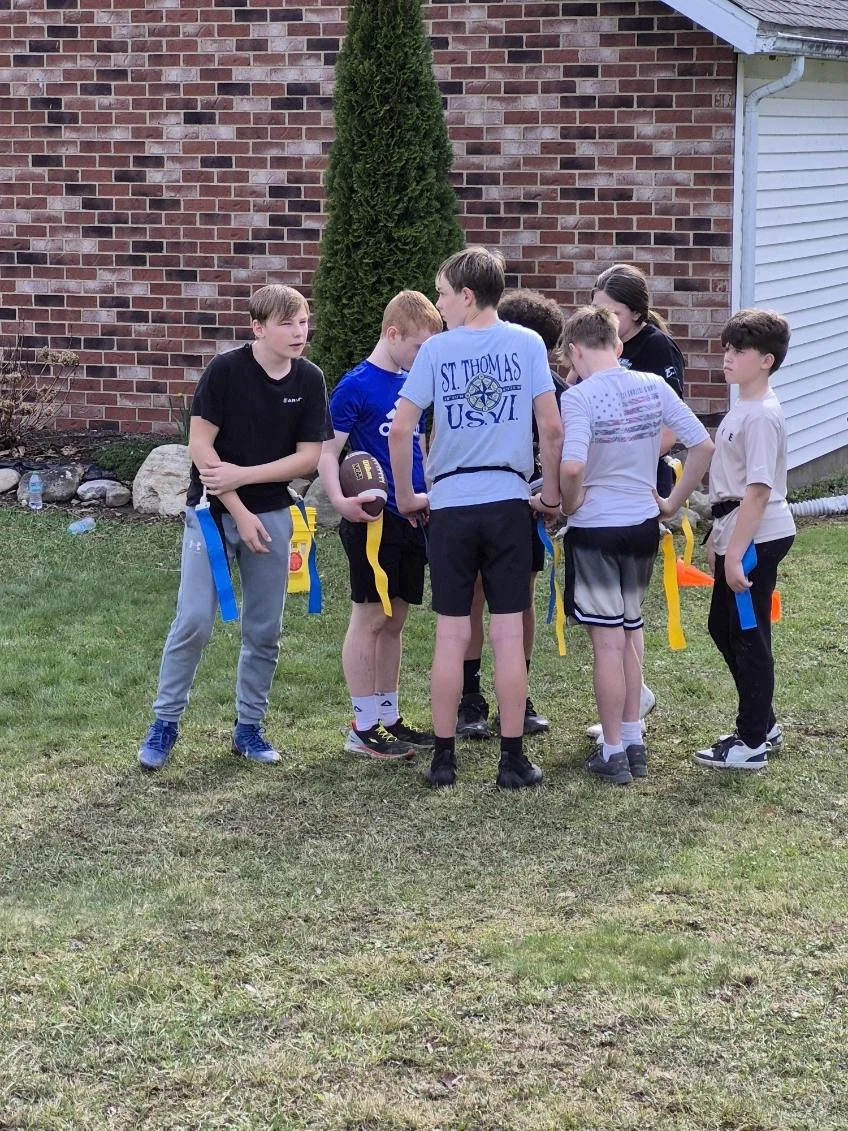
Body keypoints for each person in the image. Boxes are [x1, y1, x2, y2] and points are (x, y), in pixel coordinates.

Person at [388, 247, 563, 789]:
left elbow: (400, 429)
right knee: (508, 634)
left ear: (467, 295)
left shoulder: (437, 351)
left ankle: (444, 760)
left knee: (450, 633)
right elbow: (551, 430)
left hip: (451, 504)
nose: (438, 304)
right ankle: (512, 760)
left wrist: (407, 495)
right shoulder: (528, 342)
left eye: (442, 293)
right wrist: (551, 496)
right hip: (509, 500)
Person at [137, 284, 331, 771]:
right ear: (258, 327)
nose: (298, 332)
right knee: (194, 621)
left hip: (273, 515)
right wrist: (239, 509)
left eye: (303, 322)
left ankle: (248, 729)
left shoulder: (310, 378)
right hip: (214, 513)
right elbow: (202, 448)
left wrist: (246, 478)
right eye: (286, 323)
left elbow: (308, 458)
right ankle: (164, 723)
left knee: (264, 629)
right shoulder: (225, 371)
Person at [560, 305, 713, 785]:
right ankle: (633, 737)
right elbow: (702, 443)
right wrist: (672, 502)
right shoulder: (654, 385)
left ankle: (611, 751)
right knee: (628, 629)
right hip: (644, 523)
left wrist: (569, 503)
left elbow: (570, 466)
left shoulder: (579, 397)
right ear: (619, 345)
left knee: (606, 641)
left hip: (598, 526)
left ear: (574, 351)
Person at [317, 290, 443, 760]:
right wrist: (340, 501)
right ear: (393, 334)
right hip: (373, 520)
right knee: (370, 616)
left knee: (396, 619)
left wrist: (426, 492)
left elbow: (420, 450)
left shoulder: (413, 383)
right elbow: (329, 452)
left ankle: (388, 716)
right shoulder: (356, 385)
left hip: (413, 516)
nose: (422, 358)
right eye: (418, 347)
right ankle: (362, 724)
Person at [676, 308, 795, 771]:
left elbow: (759, 491)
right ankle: (761, 723)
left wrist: (736, 554)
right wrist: (717, 539)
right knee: (724, 629)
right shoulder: (743, 406)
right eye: (726, 348)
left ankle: (752, 740)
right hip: (736, 532)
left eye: (738, 350)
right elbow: (732, 487)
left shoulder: (762, 414)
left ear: (765, 360)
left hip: (757, 536)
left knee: (747, 634)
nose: (727, 357)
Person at [457, 288, 567, 739]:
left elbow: (558, 443)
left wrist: (551, 497)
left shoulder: (552, 389)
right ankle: (469, 697)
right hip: (473, 500)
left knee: (516, 600)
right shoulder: (473, 378)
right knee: (475, 599)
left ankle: (515, 699)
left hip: (524, 506)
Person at [586, 262, 688, 743]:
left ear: (636, 313)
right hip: (602, 487)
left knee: (623, 615)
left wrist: (628, 454)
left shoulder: (657, 350)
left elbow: (673, 428)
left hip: (637, 486)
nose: (604, 317)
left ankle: (629, 712)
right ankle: (631, 702)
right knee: (614, 618)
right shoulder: (595, 345)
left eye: (613, 311)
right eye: (597, 308)